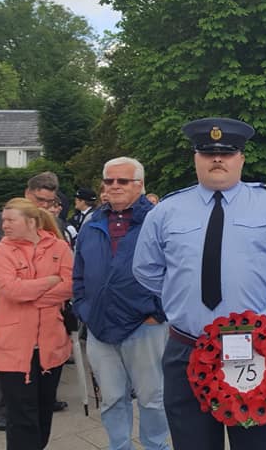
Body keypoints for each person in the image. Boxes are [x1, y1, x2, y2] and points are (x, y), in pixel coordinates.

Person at [133, 117, 266, 450]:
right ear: (196, 158)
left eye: (227, 153)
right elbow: (146, 268)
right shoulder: (167, 211)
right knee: (192, 442)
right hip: (187, 347)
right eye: (207, 152)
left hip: (254, 349)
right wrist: (181, 297)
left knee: (258, 444)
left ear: (241, 158)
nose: (217, 159)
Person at [73, 157, 169, 450]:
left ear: (139, 185)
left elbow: (178, 271)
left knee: (153, 398)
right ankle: (119, 446)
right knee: (112, 398)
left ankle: (156, 446)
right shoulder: (93, 223)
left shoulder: (158, 220)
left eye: (123, 181)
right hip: (100, 325)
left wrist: (158, 312)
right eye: (109, 180)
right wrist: (83, 307)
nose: (114, 186)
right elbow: (79, 271)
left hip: (145, 325)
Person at [0, 197, 73, 449]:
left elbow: (70, 286)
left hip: (51, 345)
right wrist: (48, 282)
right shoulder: (1, 251)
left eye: (10, 220)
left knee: (44, 410)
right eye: (4, 220)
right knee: (21, 415)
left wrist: (29, 292)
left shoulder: (59, 248)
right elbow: (10, 290)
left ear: (32, 222)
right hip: (12, 347)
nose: (4, 225)